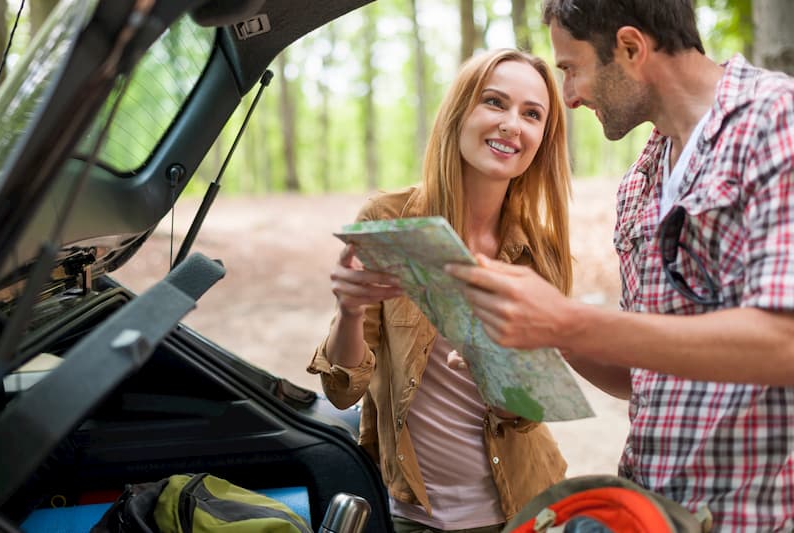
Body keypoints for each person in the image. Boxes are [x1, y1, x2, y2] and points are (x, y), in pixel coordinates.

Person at [446, 1, 794, 531]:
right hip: (646, 508)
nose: (569, 95)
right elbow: (644, 376)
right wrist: (543, 334)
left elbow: (784, 343)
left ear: (630, 48)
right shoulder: (639, 183)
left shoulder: (776, 121)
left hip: (755, 515)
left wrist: (566, 320)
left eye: (571, 68)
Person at [307, 48, 573, 533]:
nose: (513, 124)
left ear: (542, 138)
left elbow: (529, 411)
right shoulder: (389, 222)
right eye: (495, 102)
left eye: (532, 114)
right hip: (417, 516)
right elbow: (342, 389)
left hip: (528, 507)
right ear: (460, 112)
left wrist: (500, 375)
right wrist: (349, 311)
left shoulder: (541, 251)